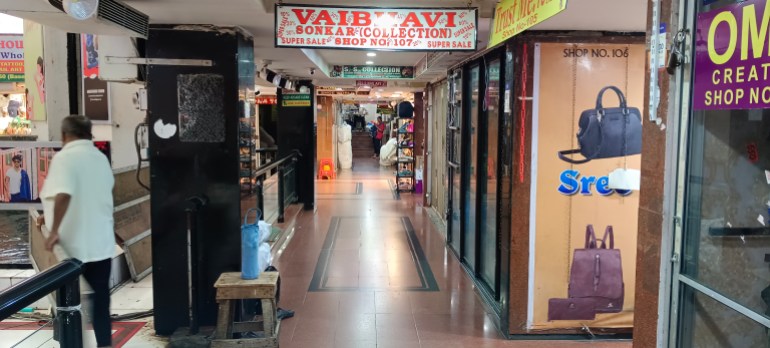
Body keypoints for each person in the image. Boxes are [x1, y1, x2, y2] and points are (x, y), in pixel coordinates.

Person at [38, 115, 115, 348]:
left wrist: (52, 231)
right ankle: (104, 344)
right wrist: (47, 214)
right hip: (100, 245)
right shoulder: (100, 158)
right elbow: (91, 194)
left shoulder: (64, 158)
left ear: (64, 135)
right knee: (101, 302)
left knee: (67, 304)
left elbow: (64, 194)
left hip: (72, 248)